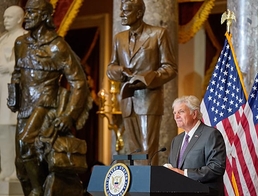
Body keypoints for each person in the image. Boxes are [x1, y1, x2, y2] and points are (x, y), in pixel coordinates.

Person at [7, 0, 91, 195]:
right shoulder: (21, 43)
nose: (27, 17)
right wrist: (14, 95)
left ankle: (38, 191)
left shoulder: (56, 46)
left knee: (27, 146)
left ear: (45, 16)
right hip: (25, 108)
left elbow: (79, 81)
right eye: (26, 13)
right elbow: (17, 72)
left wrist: (69, 115)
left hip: (46, 107)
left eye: (32, 13)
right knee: (21, 166)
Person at [107, 0, 177, 165]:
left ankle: (148, 189)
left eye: (125, 11)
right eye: (121, 11)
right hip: (127, 99)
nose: (121, 15)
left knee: (147, 151)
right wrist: (120, 70)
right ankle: (137, 189)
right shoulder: (119, 38)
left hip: (148, 99)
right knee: (134, 151)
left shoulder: (158, 34)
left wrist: (148, 78)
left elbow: (170, 68)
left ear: (138, 13)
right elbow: (110, 67)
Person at [167, 95, 226, 196]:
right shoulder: (176, 140)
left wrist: (185, 174)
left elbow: (216, 168)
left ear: (194, 114)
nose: (176, 116)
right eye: (174, 113)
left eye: (181, 112)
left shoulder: (211, 134)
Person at [0, 5, 27, 181]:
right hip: (2, 88)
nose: (5, 20)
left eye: (9, 17)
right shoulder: (2, 38)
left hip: (16, 89)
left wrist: (9, 67)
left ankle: (18, 171)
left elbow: (27, 62)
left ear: (19, 19)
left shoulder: (25, 38)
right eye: (4, 17)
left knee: (16, 130)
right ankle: (6, 168)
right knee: (3, 130)